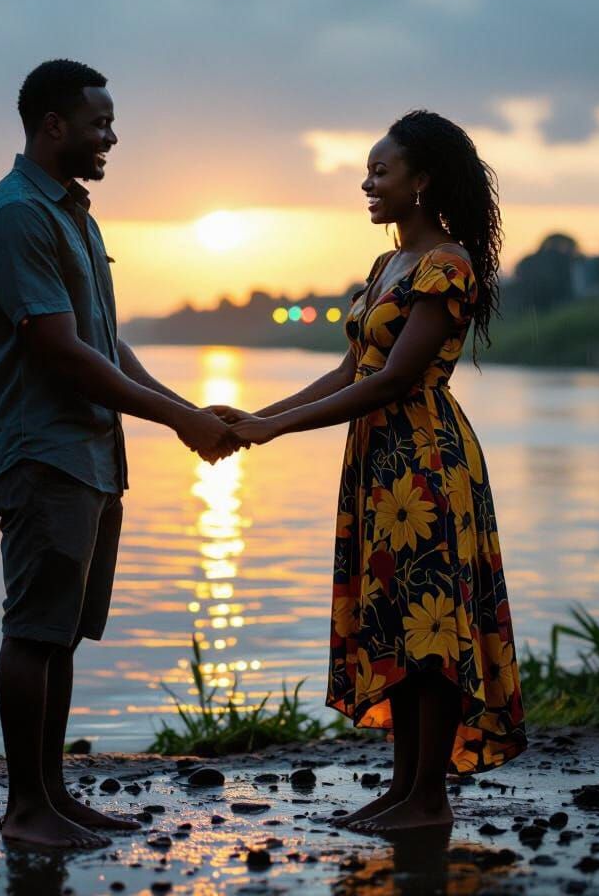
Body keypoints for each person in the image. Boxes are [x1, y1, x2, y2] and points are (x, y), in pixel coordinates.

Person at [222, 110, 527, 833]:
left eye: (380, 171)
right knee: (395, 623)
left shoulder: (446, 264)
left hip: (424, 464)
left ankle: (430, 797)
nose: (366, 183)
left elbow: (393, 379)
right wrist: (255, 418)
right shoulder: (384, 267)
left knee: (430, 629)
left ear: (421, 181)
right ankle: (402, 790)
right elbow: (345, 370)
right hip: (378, 466)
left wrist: (272, 428)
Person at [0, 59, 239, 851]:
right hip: (43, 452)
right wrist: (181, 422)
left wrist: (183, 411)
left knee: (64, 632)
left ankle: (54, 795)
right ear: (54, 125)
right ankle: (25, 811)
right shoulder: (17, 215)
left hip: (89, 452)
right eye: (99, 123)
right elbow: (61, 353)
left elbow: (104, 343)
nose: (111, 137)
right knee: (33, 631)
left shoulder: (74, 215)